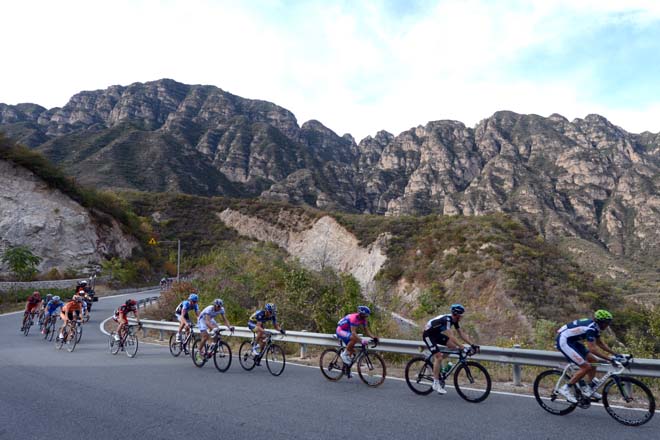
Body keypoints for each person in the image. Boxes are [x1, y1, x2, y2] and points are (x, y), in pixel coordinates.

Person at [556, 309, 621, 403]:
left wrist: (615, 354)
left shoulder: (596, 327)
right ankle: (565, 388)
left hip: (572, 341)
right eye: (606, 323)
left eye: (608, 323)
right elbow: (592, 349)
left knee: (594, 361)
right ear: (600, 322)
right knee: (586, 366)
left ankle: (589, 389)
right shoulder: (591, 328)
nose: (607, 326)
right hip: (564, 341)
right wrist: (609, 359)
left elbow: (600, 344)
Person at [422, 304, 479, 395]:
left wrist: (472, 344)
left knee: (452, 347)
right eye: (461, 315)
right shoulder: (447, 320)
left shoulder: (454, 320)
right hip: (428, 335)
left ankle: (437, 365)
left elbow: (461, 333)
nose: (462, 317)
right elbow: (451, 336)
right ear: (456, 314)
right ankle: (436, 383)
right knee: (439, 357)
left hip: (436, 334)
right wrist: (463, 347)